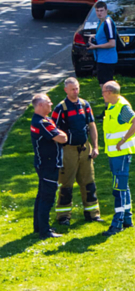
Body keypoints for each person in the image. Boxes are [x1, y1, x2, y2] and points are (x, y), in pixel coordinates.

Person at [52, 77, 103, 225]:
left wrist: (95, 146)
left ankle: (92, 213)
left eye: (77, 88)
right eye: (72, 89)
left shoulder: (85, 104)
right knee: (66, 183)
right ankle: (63, 216)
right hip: (68, 150)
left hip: (84, 148)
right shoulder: (60, 108)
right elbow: (52, 131)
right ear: (65, 90)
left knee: (89, 182)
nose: (75, 92)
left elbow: (92, 125)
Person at [101, 80, 135, 236]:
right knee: (123, 186)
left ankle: (117, 223)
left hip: (121, 154)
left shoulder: (121, 107)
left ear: (110, 92)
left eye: (104, 91)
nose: (102, 94)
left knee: (118, 188)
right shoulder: (113, 106)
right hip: (115, 154)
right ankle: (127, 218)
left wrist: (123, 139)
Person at [30, 93, 69, 239]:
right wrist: (60, 134)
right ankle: (44, 231)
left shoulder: (44, 120)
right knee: (47, 197)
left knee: (41, 195)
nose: (51, 104)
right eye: (48, 102)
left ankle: (38, 226)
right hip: (48, 165)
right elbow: (62, 138)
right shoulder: (42, 123)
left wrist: (58, 133)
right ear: (40, 105)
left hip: (44, 163)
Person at [89, 1, 118, 85]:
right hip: (101, 59)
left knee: (107, 87)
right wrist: (94, 37)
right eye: (97, 11)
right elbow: (104, 36)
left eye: (101, 10)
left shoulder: (107, 23)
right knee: (102, 84)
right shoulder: (100, 22)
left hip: (107, 60)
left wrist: (96, 46)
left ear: (106, 10)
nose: (99, 13)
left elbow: (112, 43)